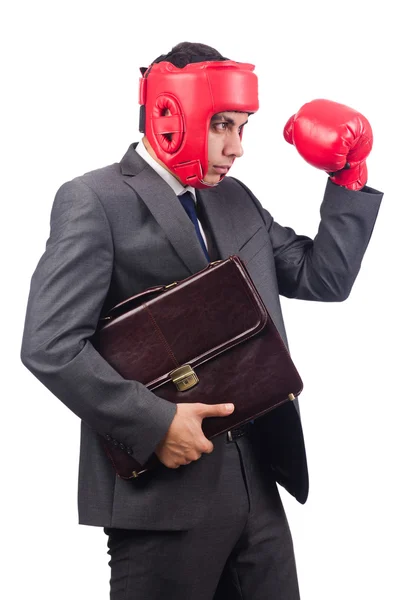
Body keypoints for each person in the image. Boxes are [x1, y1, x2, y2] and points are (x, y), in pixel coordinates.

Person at [20, 41, 383, 599]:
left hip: (257, 488)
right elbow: (50, 344)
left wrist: (349, 178)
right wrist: (155, 423)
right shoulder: (94, 200)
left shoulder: (235, 198)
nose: (237, 147)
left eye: (243, 127)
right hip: (162, 501)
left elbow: (322, 278)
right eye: (222, 126)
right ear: (170, 113)